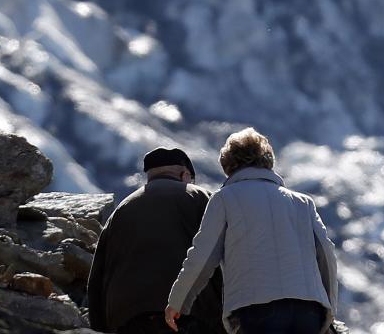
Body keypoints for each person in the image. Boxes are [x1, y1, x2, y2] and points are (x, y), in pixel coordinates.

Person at [165, 128, 340, 334]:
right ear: (268, 161)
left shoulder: (224, 199)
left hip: (257, 310)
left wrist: (178, 302)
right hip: (308, 311)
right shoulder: (303, 203)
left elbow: (202, 256)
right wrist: (329, 309)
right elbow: (327, 256)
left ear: (228, 165)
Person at [88, 147, 225, 334]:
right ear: (184, 174)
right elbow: (224, 256)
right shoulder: (202, 198)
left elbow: (97, 276)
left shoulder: (122, 209)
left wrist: (99, 326)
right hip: (191, 315)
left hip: (128, 318)